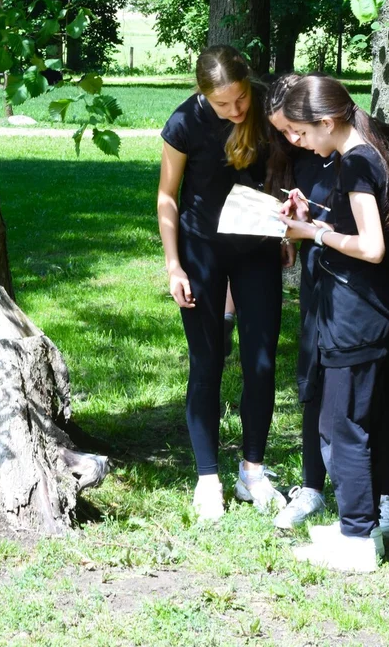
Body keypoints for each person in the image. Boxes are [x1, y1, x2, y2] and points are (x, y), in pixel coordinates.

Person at [266, 74, 389, 534]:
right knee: (329, 402)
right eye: (286, 133)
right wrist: (309, 220)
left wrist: (315, 233)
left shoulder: (364, 156)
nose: (293, 142)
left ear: (323, 120)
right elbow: (347, 220)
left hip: (362, 297)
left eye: (297, 131)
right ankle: (341, 507)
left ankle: (368, 519)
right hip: (333, 292)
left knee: (355, 412)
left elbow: (372, 245)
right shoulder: (338, 153)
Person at [157, 45, 290, 521]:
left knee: (261, 361)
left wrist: (286, 225)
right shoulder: (183, 124)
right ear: (203, 95)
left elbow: (283, 173)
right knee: (207, 360)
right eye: (223, 105)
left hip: (256, 248)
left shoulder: (265, 105)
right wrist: (175, 266)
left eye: (239, 101)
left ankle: (251, 472)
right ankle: (207, 477)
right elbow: (167, 198)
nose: (235, 111)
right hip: (200, 251)